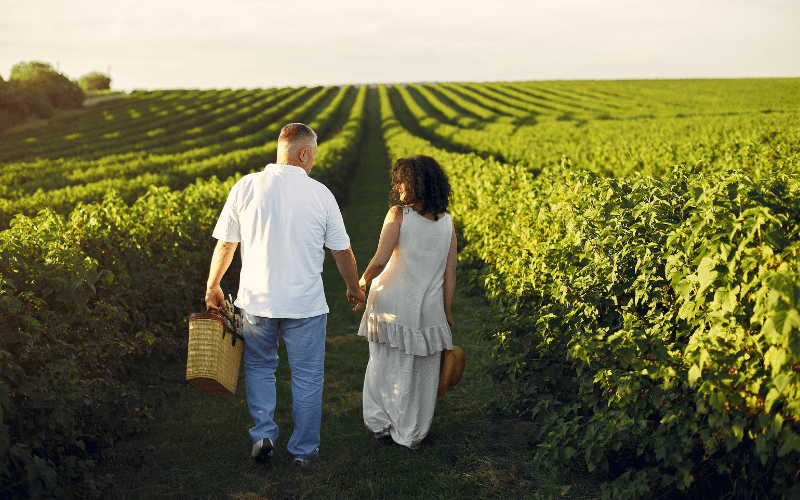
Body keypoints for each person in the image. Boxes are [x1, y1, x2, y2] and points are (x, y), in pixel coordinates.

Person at [204, 123, 365, 466]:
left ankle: (263, 434)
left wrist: (213, 284)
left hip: (257, 302)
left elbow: (227, 243)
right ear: (304, 153)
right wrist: (353, 287)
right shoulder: (320, 193)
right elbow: (342, 251)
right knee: (307, 377)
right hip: (305, 304)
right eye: (314, 156)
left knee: (260, 368)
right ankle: (304, 453)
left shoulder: (245, 186)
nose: (314, 163)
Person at [356, 154, 457, 449]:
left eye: (403, 180)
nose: (398, 186)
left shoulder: (399, 215)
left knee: (382, 366)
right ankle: (412, 433)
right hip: (429, 310)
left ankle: (380, 425)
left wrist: (359, 284)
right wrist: (447, 311)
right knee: (423, 375)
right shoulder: (448, 222)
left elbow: (379, 259)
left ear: (417, 183)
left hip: (391, 305)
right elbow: (450, 271)